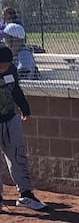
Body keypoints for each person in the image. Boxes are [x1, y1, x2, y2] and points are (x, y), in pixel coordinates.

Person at [0, 46, 45, 210]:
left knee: (18, 156)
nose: (5, 67)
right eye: (2, 64)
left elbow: (15, 90)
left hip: (10, 119)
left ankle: (26, 195)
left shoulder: (11, 70)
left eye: (7, 64)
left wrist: (24, 108)